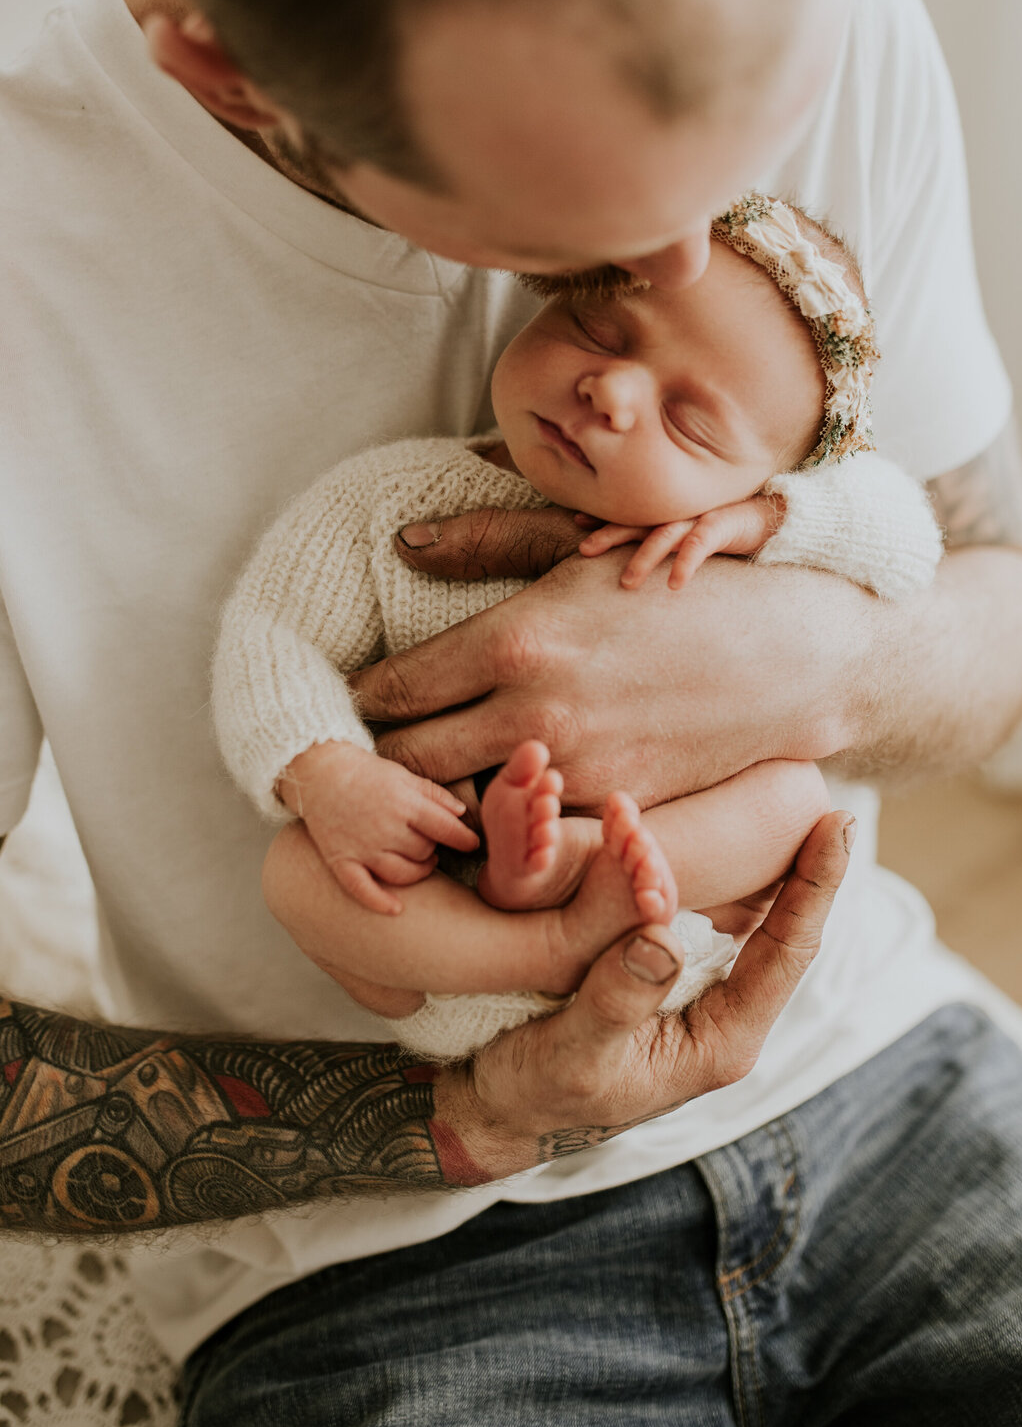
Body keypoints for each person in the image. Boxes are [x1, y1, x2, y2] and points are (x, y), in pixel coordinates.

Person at [1, 0, 1022, 1427]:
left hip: (876, 1077)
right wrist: (470, 1109)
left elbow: (1002, 585)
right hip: (383, 1257)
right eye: (596, 246)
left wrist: (817, 662)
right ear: (238, 78)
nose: (698, 257)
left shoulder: (829, 10)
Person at [213, 196, 943, 1060]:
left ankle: (572, 861)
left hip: (662, 929)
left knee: (795, 802)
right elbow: (272, 635)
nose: (613, 389)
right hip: (439, 894)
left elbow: (906, 536)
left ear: (764, 477)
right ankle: (540, 942)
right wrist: (325, 771)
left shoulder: (724, 533)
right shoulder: (393, 501)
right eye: (599, 331)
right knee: (295, 876)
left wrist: (767, 520)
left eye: (689, 422)